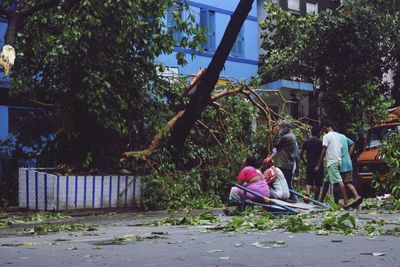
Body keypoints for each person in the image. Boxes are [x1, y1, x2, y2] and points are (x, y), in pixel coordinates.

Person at [314, 120, 349, 208]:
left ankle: (346, 201)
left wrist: (318, 164)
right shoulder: (337, 135)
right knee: (327, 181)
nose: (323, 130)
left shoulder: (327, 136)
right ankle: (321, 201)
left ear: (325, 127)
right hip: (338, 160)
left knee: (338, 181)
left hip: (332, 161)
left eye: (323, 128)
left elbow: (323, 150)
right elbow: (340, 147)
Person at [268, 120, 298, 201]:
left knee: (286, 182)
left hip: (285, 163)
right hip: (288, 163)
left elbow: (277, 146)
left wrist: (269, 158)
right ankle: (292, 198)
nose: (281, 129)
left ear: (288, 127)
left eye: (282, 127)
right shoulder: (291, 136)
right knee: (288, 182)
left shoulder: (287, 137)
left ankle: (293, 198)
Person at [337, 132, 363, 207]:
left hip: (341, 163)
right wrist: (348, 154)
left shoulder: (334, 138)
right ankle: (357, 196)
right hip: (348, 162)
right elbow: (352, 143)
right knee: (348, 182)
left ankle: (345, 201)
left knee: (340, 182)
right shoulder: (343, 136)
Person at [300, 125, 324, 200]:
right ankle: (316, 200)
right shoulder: (321, 142)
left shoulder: (306, 142)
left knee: (308, 181)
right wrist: (318, 165)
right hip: (319, 165)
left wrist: (304, 161)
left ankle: (307, 194)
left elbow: (300, 153)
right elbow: (323, 154)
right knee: (318, 184)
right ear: (318, 133)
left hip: (309, 164)